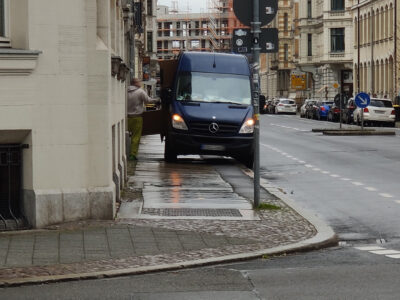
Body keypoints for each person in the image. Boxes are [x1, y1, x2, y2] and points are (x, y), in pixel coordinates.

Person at [127, 78, 159, 161]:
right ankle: (132, 155)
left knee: (126, 135)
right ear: (135, 83)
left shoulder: (125, 91)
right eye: (139, 82)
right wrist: (157, 100)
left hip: (127, 118)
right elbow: (148, 101)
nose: (140, 83)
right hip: (137, 117)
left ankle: (125, 152)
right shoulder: (140, 91)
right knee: (136, 137)